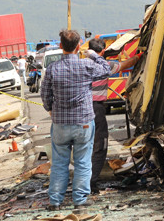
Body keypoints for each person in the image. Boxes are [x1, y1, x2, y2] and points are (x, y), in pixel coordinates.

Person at [41, 30, 111, 211]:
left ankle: (55, 201)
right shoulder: (86, 65)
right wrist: (95, 55)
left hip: (60, 124)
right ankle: (79, 200)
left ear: (61, 46)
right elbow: (106, 70)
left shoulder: (52, 69)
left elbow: (45, 95)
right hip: (84, 122)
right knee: (83, 162)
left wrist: (50, 109)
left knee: (59, 163)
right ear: (79, 46)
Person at [87, 38, 141, 194]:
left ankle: (82, 180)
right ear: (102, 51)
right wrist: (139, 55)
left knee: (84, 146)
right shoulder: (105, 66)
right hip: (96, 110)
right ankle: (91, 183)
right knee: (100, 146)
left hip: (81, 110)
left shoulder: (81, 65)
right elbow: (126, 64)